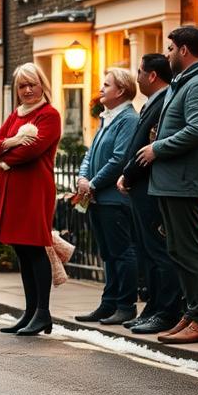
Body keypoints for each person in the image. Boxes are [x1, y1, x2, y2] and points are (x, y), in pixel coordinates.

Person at [134, 25, 198, 345]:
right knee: (178, 249)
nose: (167, 54)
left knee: (191, 251)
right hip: (172, 181)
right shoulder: (185, 81)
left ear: (184, 50)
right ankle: (192, 312)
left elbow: (197, 131)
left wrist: (156, 148)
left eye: (170, 49)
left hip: (186, 182)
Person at [0, 63, 62, 336]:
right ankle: (30, 312)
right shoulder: (15, 115)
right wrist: (12, 141)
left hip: (34, 189)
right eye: (22, 86)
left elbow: (32, 151)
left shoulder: (49, 115)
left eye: (33, 84)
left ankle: (43, 313)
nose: (28, 90)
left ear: (43, 84)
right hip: (13, 189)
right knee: (22, 250)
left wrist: (6, 151)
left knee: (35, 247)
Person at [117, 53, 183, 334]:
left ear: (152, 76)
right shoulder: (152, 103)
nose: (138, 77)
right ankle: (154, 307)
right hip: (142, 186)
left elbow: (148, 145)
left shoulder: (163, 102)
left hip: (151, 187)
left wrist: (128, 174)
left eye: (140, 72)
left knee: (159, 252)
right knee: (147, 252)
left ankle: (166, 311)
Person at [74, 68, 140, 326]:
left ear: (121, 91)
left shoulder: (128, 119)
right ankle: (108, 303)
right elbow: (90, 154)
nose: (101, 89)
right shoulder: (107, 118)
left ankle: (126, 305)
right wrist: (82, 179)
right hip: (98, 197)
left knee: (122, 253)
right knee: (108, 254)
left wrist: (92, 184)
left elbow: (119, 159)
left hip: (115, 198)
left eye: (106, 85)